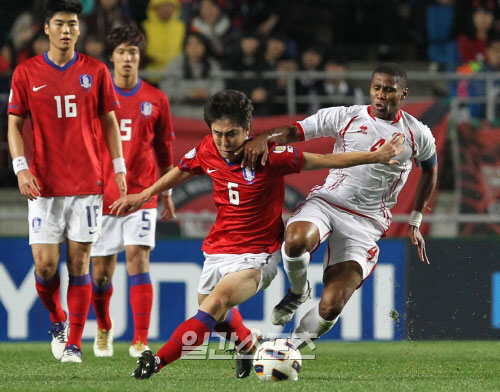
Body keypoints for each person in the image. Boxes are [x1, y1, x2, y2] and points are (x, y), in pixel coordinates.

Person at [109, 89, 405, 380]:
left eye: (232, 134)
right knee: (217, 317)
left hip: (258, 255)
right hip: (219, 248)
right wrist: (144, 195)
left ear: (248, 129)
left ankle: (156, 362)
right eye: (218, 133)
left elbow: (324, 160)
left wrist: (375, 156)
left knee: (213, 306)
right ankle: (247, 343)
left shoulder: (270, 156)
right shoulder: (207, 148)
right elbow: (184, 168)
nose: (224, 142)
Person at [239, 63, 438, 346]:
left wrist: (416, 220)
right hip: (330, 202)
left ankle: (286, 349)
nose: (381, 95)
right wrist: (263, 137)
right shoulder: (345, 116)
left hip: (367, 222)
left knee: (332, 306)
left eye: (389, 90)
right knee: (295, 241)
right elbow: (294, 131)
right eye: (376, 88)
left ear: (402, 94)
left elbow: (430, 170)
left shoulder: (418, 134)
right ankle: (298, 291)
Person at [7, 0, 126, 363]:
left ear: (79, 28)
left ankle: (74, 342)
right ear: (46, 28)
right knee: (44, 266)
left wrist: (118, 167)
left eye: (72, 24)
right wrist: (21, 167)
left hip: (87, 183)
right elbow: (13, 123)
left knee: (79, 265)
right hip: (43, 185)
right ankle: (58, 320)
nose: (66, 30)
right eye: (59, 23)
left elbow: (109, 121)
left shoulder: (96, 71)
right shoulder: (26, 72)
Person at [89, 25, 176, 359]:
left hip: (141, 193)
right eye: (122, 52)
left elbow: (164, 150)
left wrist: (165, 192)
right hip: (101, 195)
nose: (128, 58)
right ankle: (104, 327)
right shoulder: (95, 94)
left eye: (134, 52)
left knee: (139, 260)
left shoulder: (156, 99)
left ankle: (140, 339)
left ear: (139, 57)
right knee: (101, 274)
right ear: (111, 57)